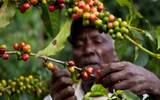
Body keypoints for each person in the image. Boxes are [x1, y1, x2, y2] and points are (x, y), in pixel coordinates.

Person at [49, 18, 160, 100]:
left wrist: (157, 87)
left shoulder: (141, 94)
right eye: (79, 44)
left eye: (98, 41)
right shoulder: (58, 97)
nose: (88, 50)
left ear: (116, 51)